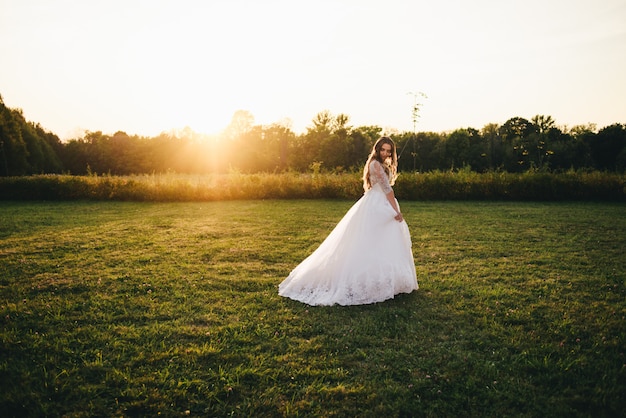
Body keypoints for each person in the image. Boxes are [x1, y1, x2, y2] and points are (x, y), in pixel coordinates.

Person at [279, 136, 418, 306]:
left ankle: (383, 279)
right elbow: (387, 190)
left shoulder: (381, 164)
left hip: (379, 202)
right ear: (377, 149)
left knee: (383, 241)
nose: (385, 153)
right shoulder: (375, 164)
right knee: (370, 242)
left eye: (388, 151)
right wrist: (396, 211)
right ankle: (365, 279)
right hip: (378, 205)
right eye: (383, 149)